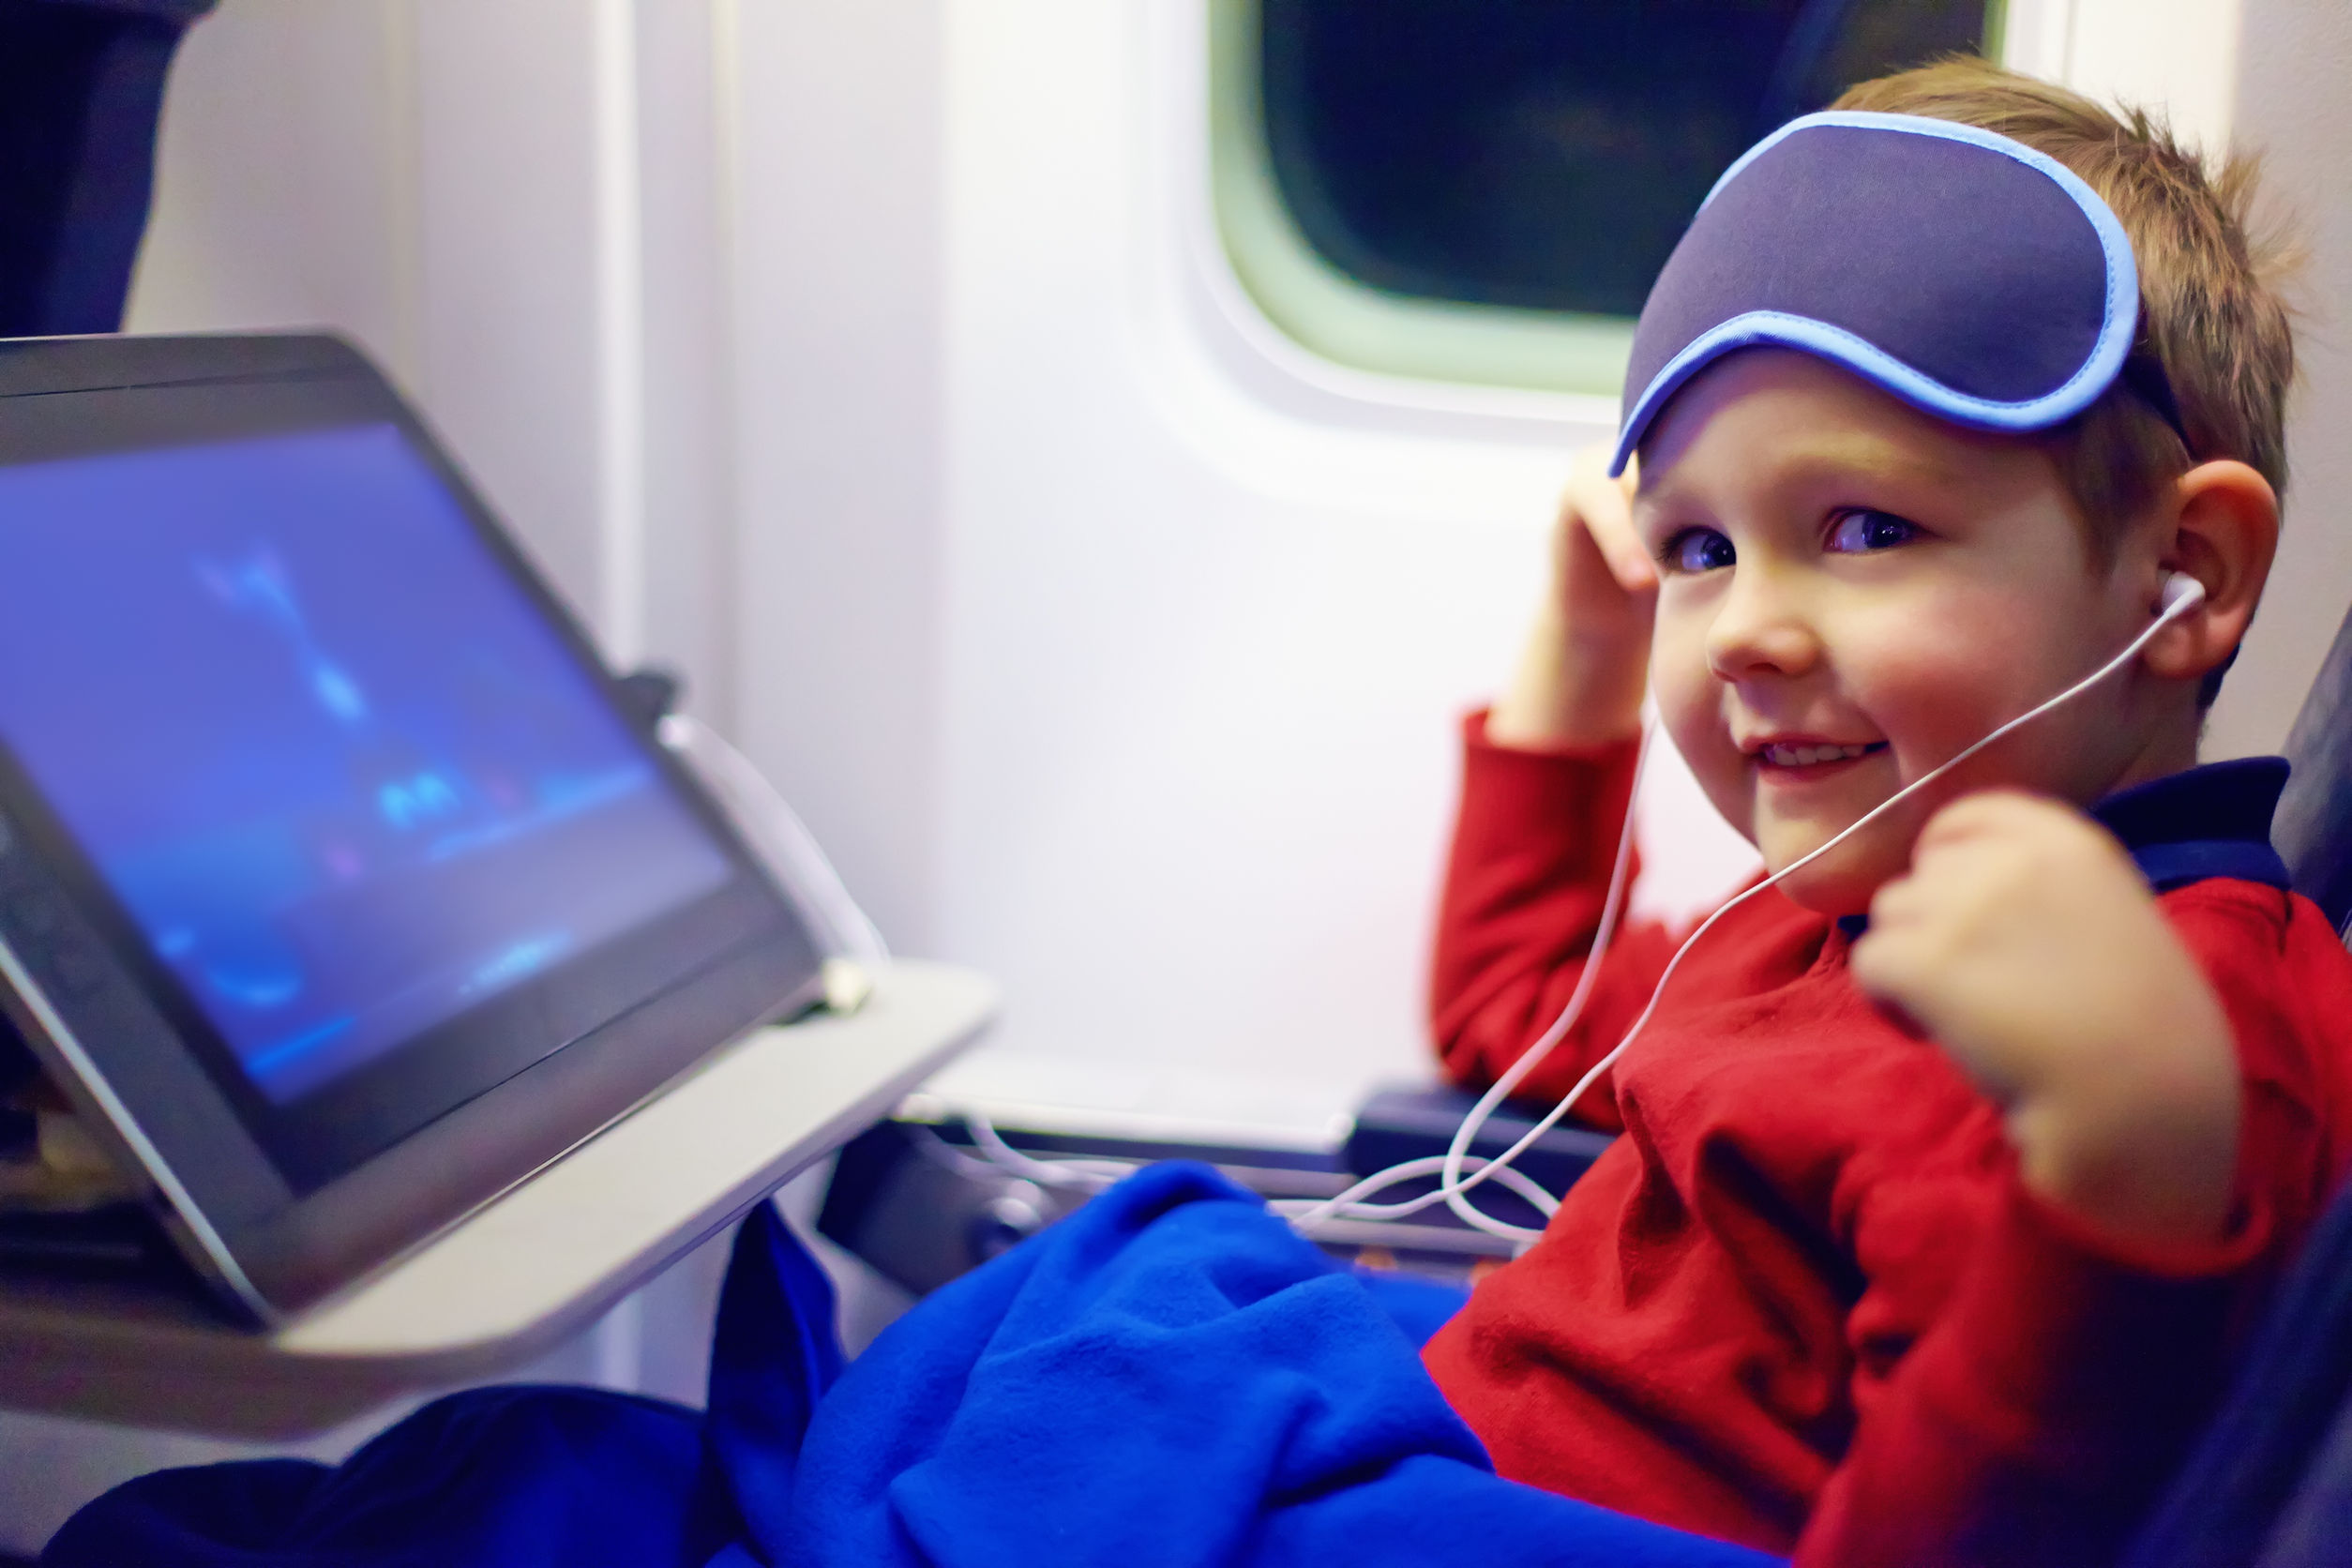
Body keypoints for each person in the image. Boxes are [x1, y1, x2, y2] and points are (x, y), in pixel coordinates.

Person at [1421, 58, 2352, 1567]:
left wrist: (2123, 1162)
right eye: (1702, 545)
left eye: (1865, 528)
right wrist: (1587, 661)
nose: (1741, 631)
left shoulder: (2145, 1039)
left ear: (2185, 571)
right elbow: (1512, 1019)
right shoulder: (1852, 918)